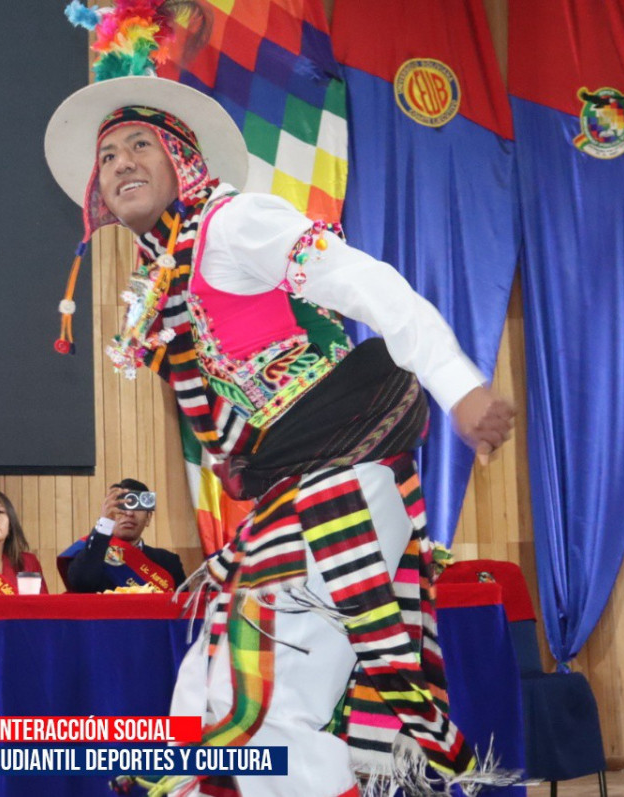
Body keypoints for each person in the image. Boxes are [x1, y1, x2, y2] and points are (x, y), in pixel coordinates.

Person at [44, 5, 516, 795]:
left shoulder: (234, 225)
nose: (119, 163)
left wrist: (460, 386)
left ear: (183, 160)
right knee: (207, 687)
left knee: (269, 712)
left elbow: (371, 283)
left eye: (139, 145)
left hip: (345, 477)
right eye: (108, 155)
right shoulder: (171, 278)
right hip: (296, 492)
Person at [60, 478, 186, 593]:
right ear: (108, 512)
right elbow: (80, 583)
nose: (129, 513)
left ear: (148, 518)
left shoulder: (168, 562)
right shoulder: (90, 552)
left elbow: (183, 607)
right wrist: (104, 525)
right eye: (121, 506)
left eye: (136, 507)